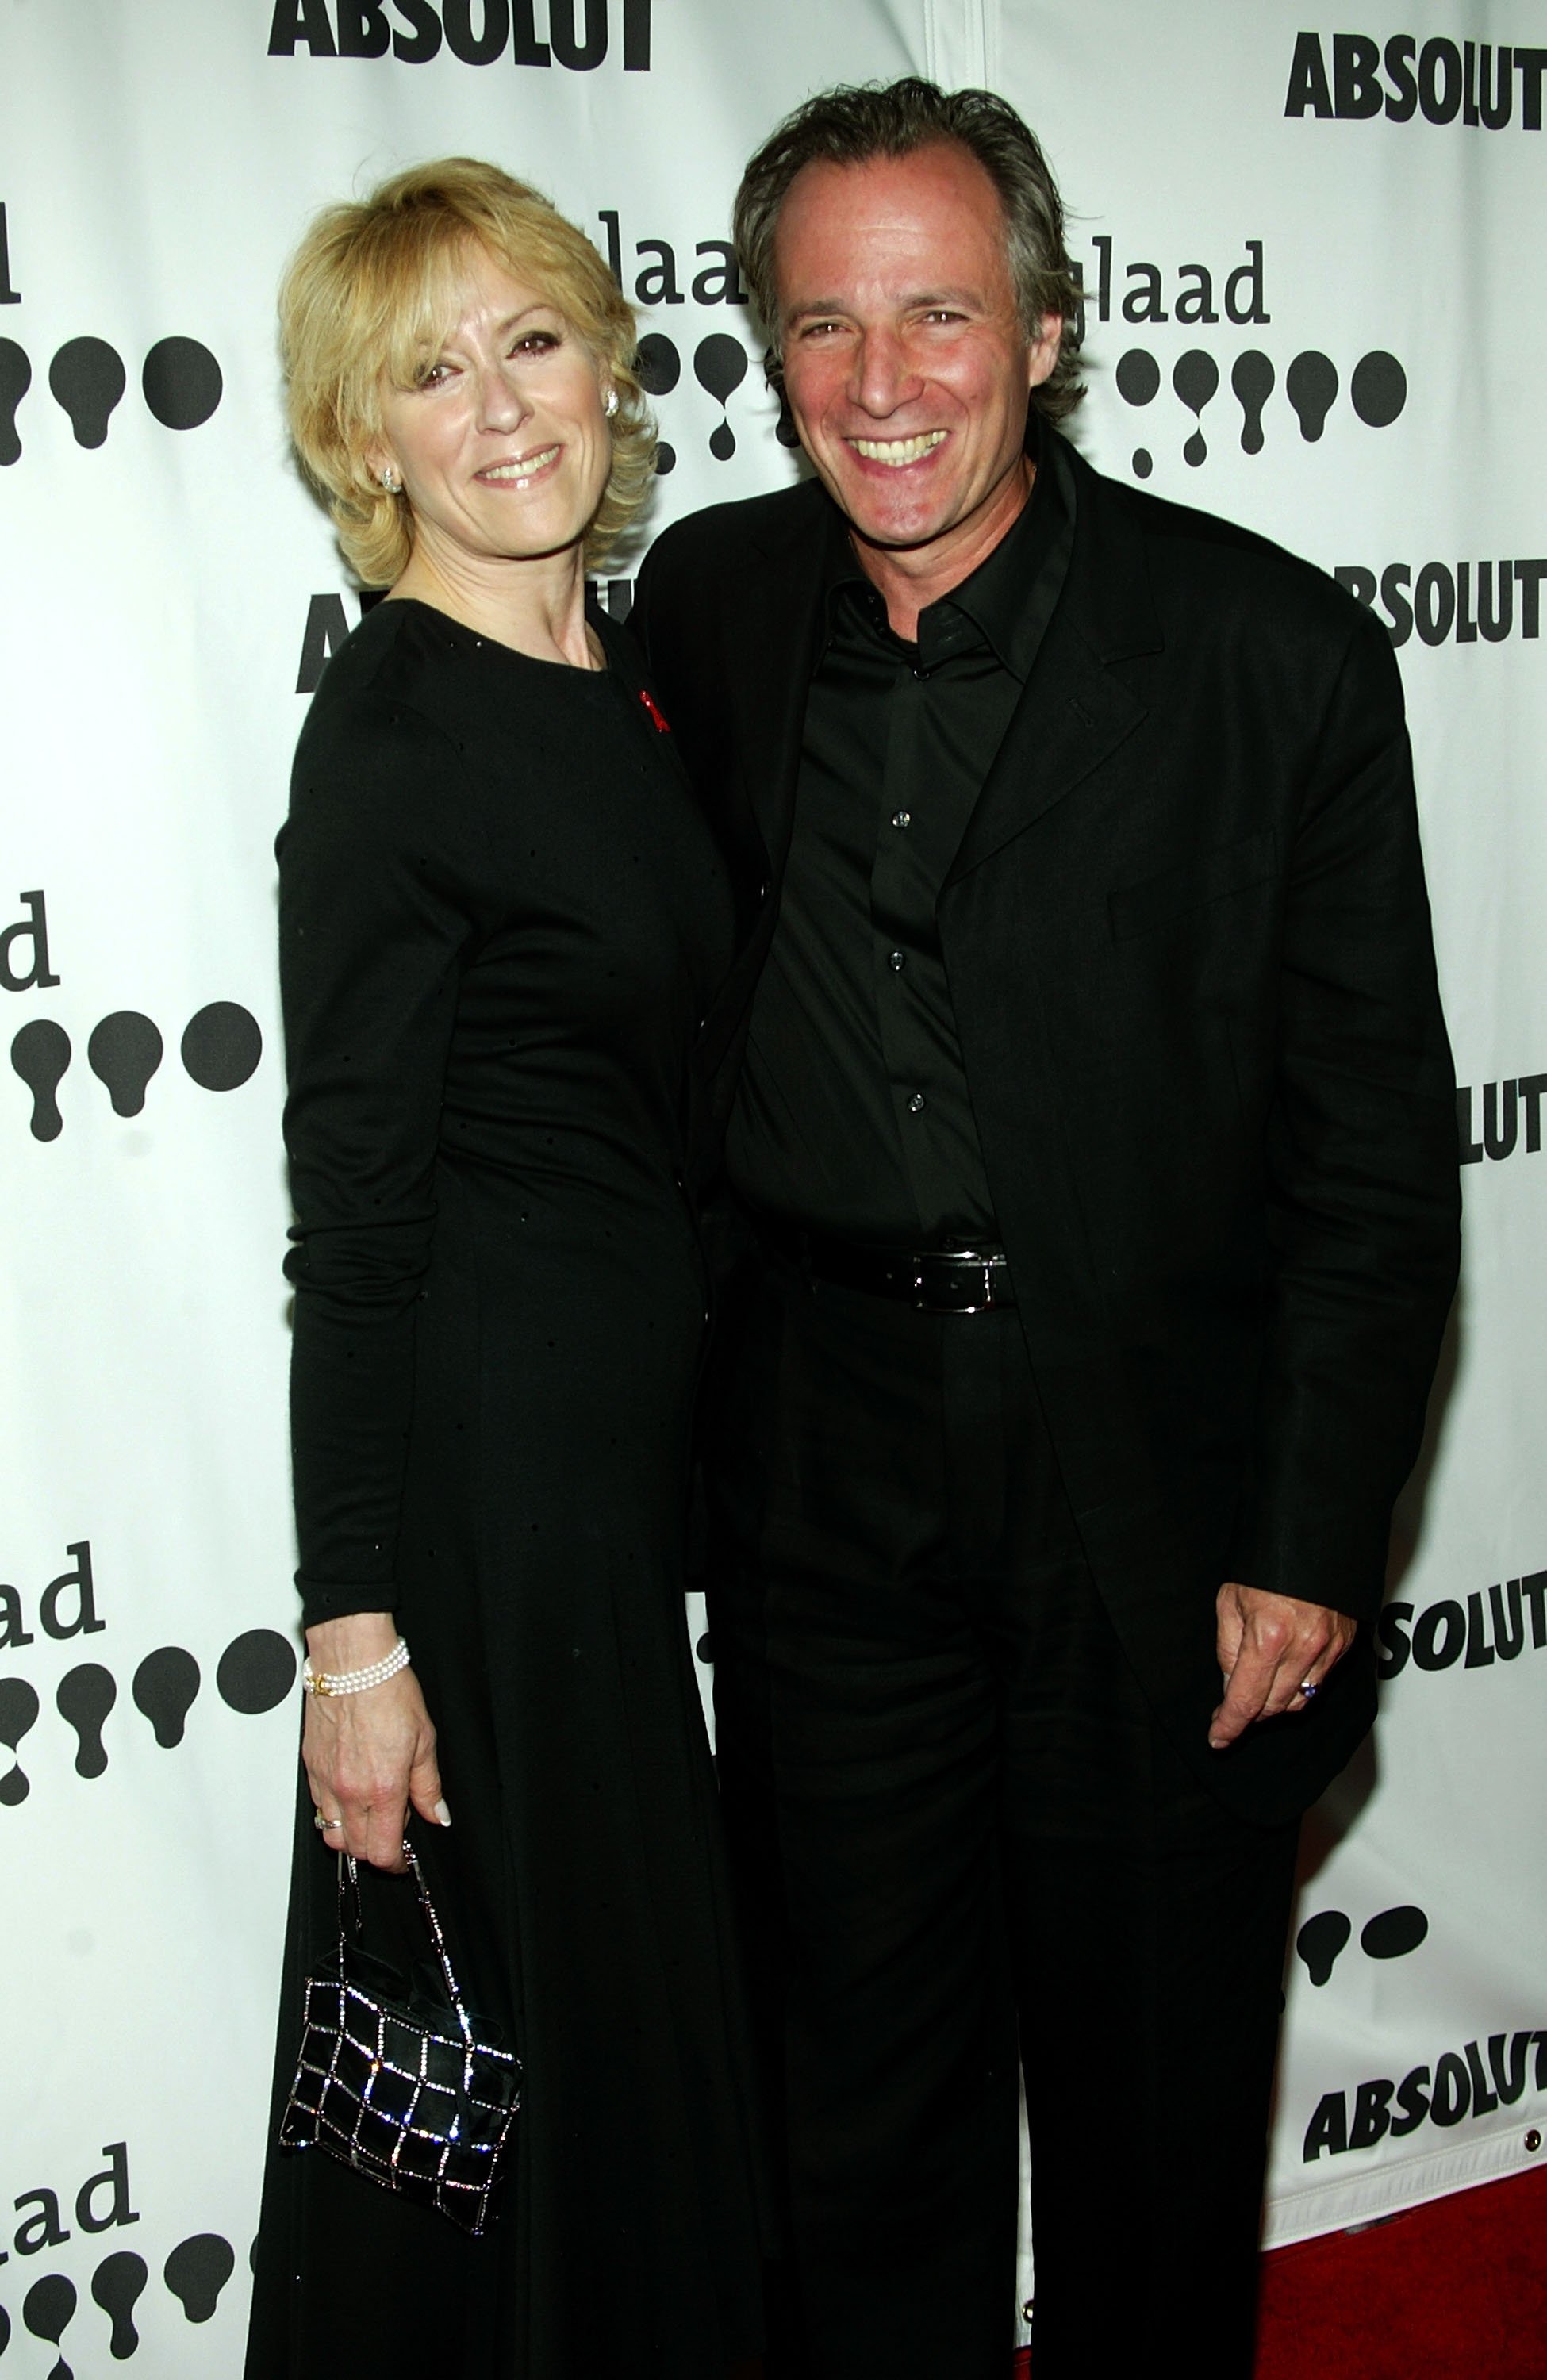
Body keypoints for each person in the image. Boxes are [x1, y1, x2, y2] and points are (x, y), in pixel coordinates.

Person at [631, 78, 1461, 2380]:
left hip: (1155, 1478)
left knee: (1155, 2112)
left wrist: (1314, 1532)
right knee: (849, 2119)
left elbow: (1376, 1145)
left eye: (938, 316)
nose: (881, 385)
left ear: (1053, 330)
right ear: (766, 349)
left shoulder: (1267, 655)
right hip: (822, 1459)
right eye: (823, 324)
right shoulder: (708, 597)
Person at [246, 159, 769, 2380]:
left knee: (609, 2028)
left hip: (617, 1470)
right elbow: (352, 1217)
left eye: (528, 340)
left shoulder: (630, 683)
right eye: (429, 377)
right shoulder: (389, 745)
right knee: (522, 2049)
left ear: (608, 360)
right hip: (494, 1497)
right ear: (366, 444)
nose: (500, 411)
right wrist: (353, 1633)